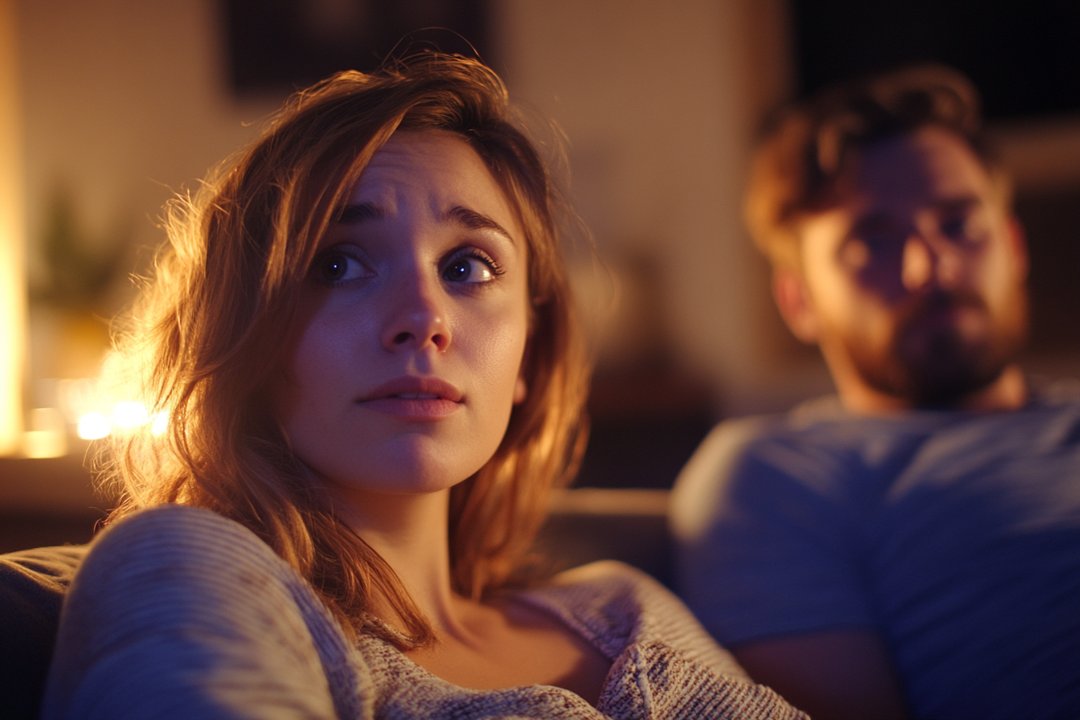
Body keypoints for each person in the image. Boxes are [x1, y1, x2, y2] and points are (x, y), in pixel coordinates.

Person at [41, 53, 805, 719]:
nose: (424, 319)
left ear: (527, 359)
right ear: (247, 337)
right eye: (338, 263)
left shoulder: (622, 606)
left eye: (468, 266)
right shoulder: (186, 566)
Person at [670, 64, 1080, 720]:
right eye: (874, 242)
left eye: (959, 224)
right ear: (798, 300)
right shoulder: (778, 476)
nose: (931, 266)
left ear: (1012, 245)